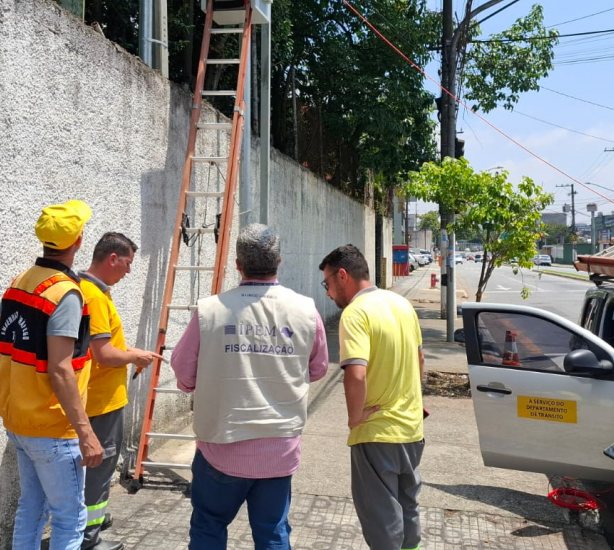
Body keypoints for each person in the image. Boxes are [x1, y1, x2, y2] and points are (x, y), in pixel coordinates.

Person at [171, 223, 329, 550]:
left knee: (209, 528)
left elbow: (184, 373)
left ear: (238, 264)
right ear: (280, 261)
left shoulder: (209, 310)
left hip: (220, 447)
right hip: (279, 450)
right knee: (272, 533)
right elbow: (317, 369)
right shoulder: (305, 310)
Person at [0, 200, 103, 550]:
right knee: (69, 517)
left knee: (31, 508)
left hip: (19, 420)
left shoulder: (23, 281)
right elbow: (61, 368)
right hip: (53, 427)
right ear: (78, 241)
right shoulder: (66, 293)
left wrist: (24, 378)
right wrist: (86, 433)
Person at [319, 244, 425, 550]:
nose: (327, 293)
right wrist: (412, 402)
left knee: (383, 522)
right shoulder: (401, 304)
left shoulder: (355, 313)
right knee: (408, 511)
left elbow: (356, 373)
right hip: (411, 429)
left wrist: (355, 418)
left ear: (342, 276)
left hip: (377, 432)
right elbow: (419, 360)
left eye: (327, 284)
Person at [76, 232, 162, 550]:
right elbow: (103, 354)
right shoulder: (95, 297)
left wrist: (128, 352)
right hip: (101, 401)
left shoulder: (88, 289)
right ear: (112, 258)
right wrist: (135, 356)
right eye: (127, 263)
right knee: (99, 468)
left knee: (91, 470)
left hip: (96, 398)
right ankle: (88, 538)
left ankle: (90, 523)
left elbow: (103, 346)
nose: (128, 271)